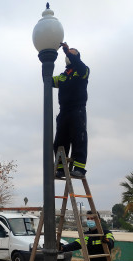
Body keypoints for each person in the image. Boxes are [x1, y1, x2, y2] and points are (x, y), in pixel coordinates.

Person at [53, 42, 90, 178]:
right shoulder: (63, 75)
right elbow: (48, 80)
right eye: (68, 53)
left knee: (78, 138)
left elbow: (79, 65)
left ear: (77, 56)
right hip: (64, 110)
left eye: (72, 53)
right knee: (59, 141)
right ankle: (61, 169)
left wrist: (67, 51)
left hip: (77, 109)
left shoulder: (83, 70)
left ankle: (79, 168)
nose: (69, 54)